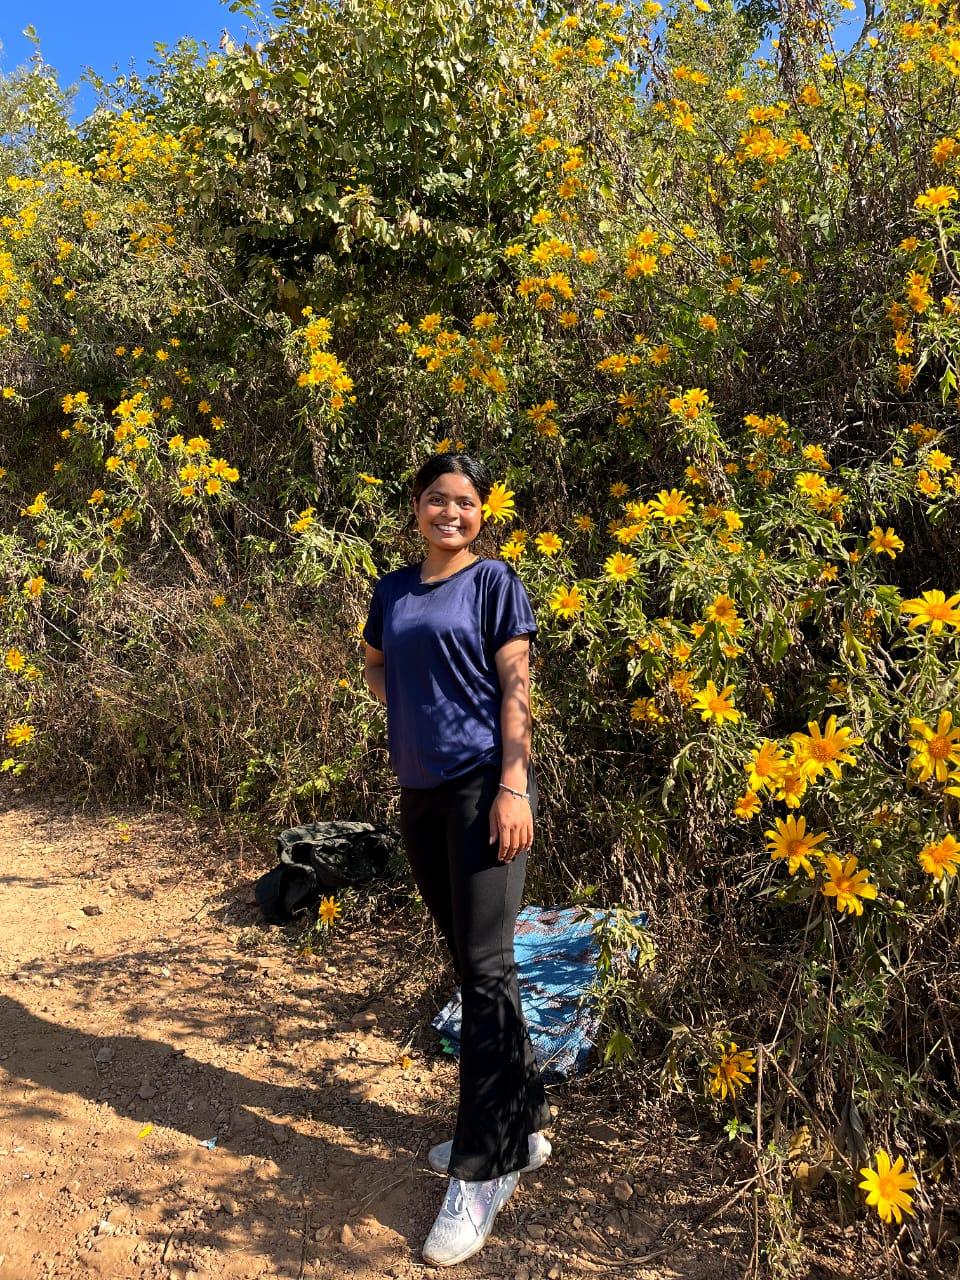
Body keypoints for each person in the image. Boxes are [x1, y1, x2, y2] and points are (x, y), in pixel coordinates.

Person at [362, 453, 552, 1267]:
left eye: (466, 502)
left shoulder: (493, 583)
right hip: (420, 794)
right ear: (415, 508)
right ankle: (522, 1121)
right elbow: (376, 664)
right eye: (437, 498)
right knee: (478, 967)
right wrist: (411, 717)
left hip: (484, 791)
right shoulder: (392, 590)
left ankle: (481, 1172)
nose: (451, 512)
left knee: (483, 968)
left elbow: (516, 684)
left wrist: (514, 783)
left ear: (481, 514)